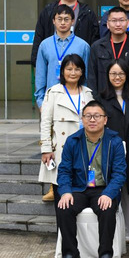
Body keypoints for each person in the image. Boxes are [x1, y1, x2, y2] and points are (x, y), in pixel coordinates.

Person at [55, 100, 126, 258]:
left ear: (105, 119)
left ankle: (105, 253)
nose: (92, 120)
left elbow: (119, 173)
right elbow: (64, 171)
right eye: (88, 116)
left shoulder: (114, 141)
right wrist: (65, 192)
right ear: (82, 119)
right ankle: (71, 254)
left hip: (103, 189)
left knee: (107, 208)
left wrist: (109, 193)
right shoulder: (73, 140)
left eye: (97, 116)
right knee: (64, 207)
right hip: (79, 189)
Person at [40, 54, 94, 205]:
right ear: (62, 71)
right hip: (61, 148)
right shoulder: (54, 92)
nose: (73, 73)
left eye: (77, 69)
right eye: (69, 69)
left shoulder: (88, 93)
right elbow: (45, 122)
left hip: (84, 148)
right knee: (61, 190)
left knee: (82, 191)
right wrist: (46, 148)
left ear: (82, 72)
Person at [97, 59, 129, 244]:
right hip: (109, 148)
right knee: (111, 186)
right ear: (108, 76)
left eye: (121, 73)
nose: (117, 77)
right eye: (113, 73)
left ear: (127, 76)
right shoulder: (101, 99)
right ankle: (112, 230)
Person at [31, 0, 99, 67]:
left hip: (78, 65)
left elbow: (94, 39)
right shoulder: (48, 11)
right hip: (52, 62)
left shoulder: (87, 12)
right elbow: (39, 36)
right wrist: (36, 61)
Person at [34, 5, 91, 109]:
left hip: (76, 99)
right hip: (51, 98)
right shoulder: (45, 45)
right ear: (53, 21)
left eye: (66, 19)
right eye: (59, 19)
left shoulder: (83, 46)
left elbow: (86, 76)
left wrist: (85, 99)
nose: (63, 23)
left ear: (73, 21)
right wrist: (41, 102)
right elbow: (40, 75)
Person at [88, 7, 129, 96]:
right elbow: (92, 78)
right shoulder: (97, 47)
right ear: (107, 24)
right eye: (114, 21)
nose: (118, 24)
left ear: (128, 23)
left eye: (121, 20)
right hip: (104, 98)